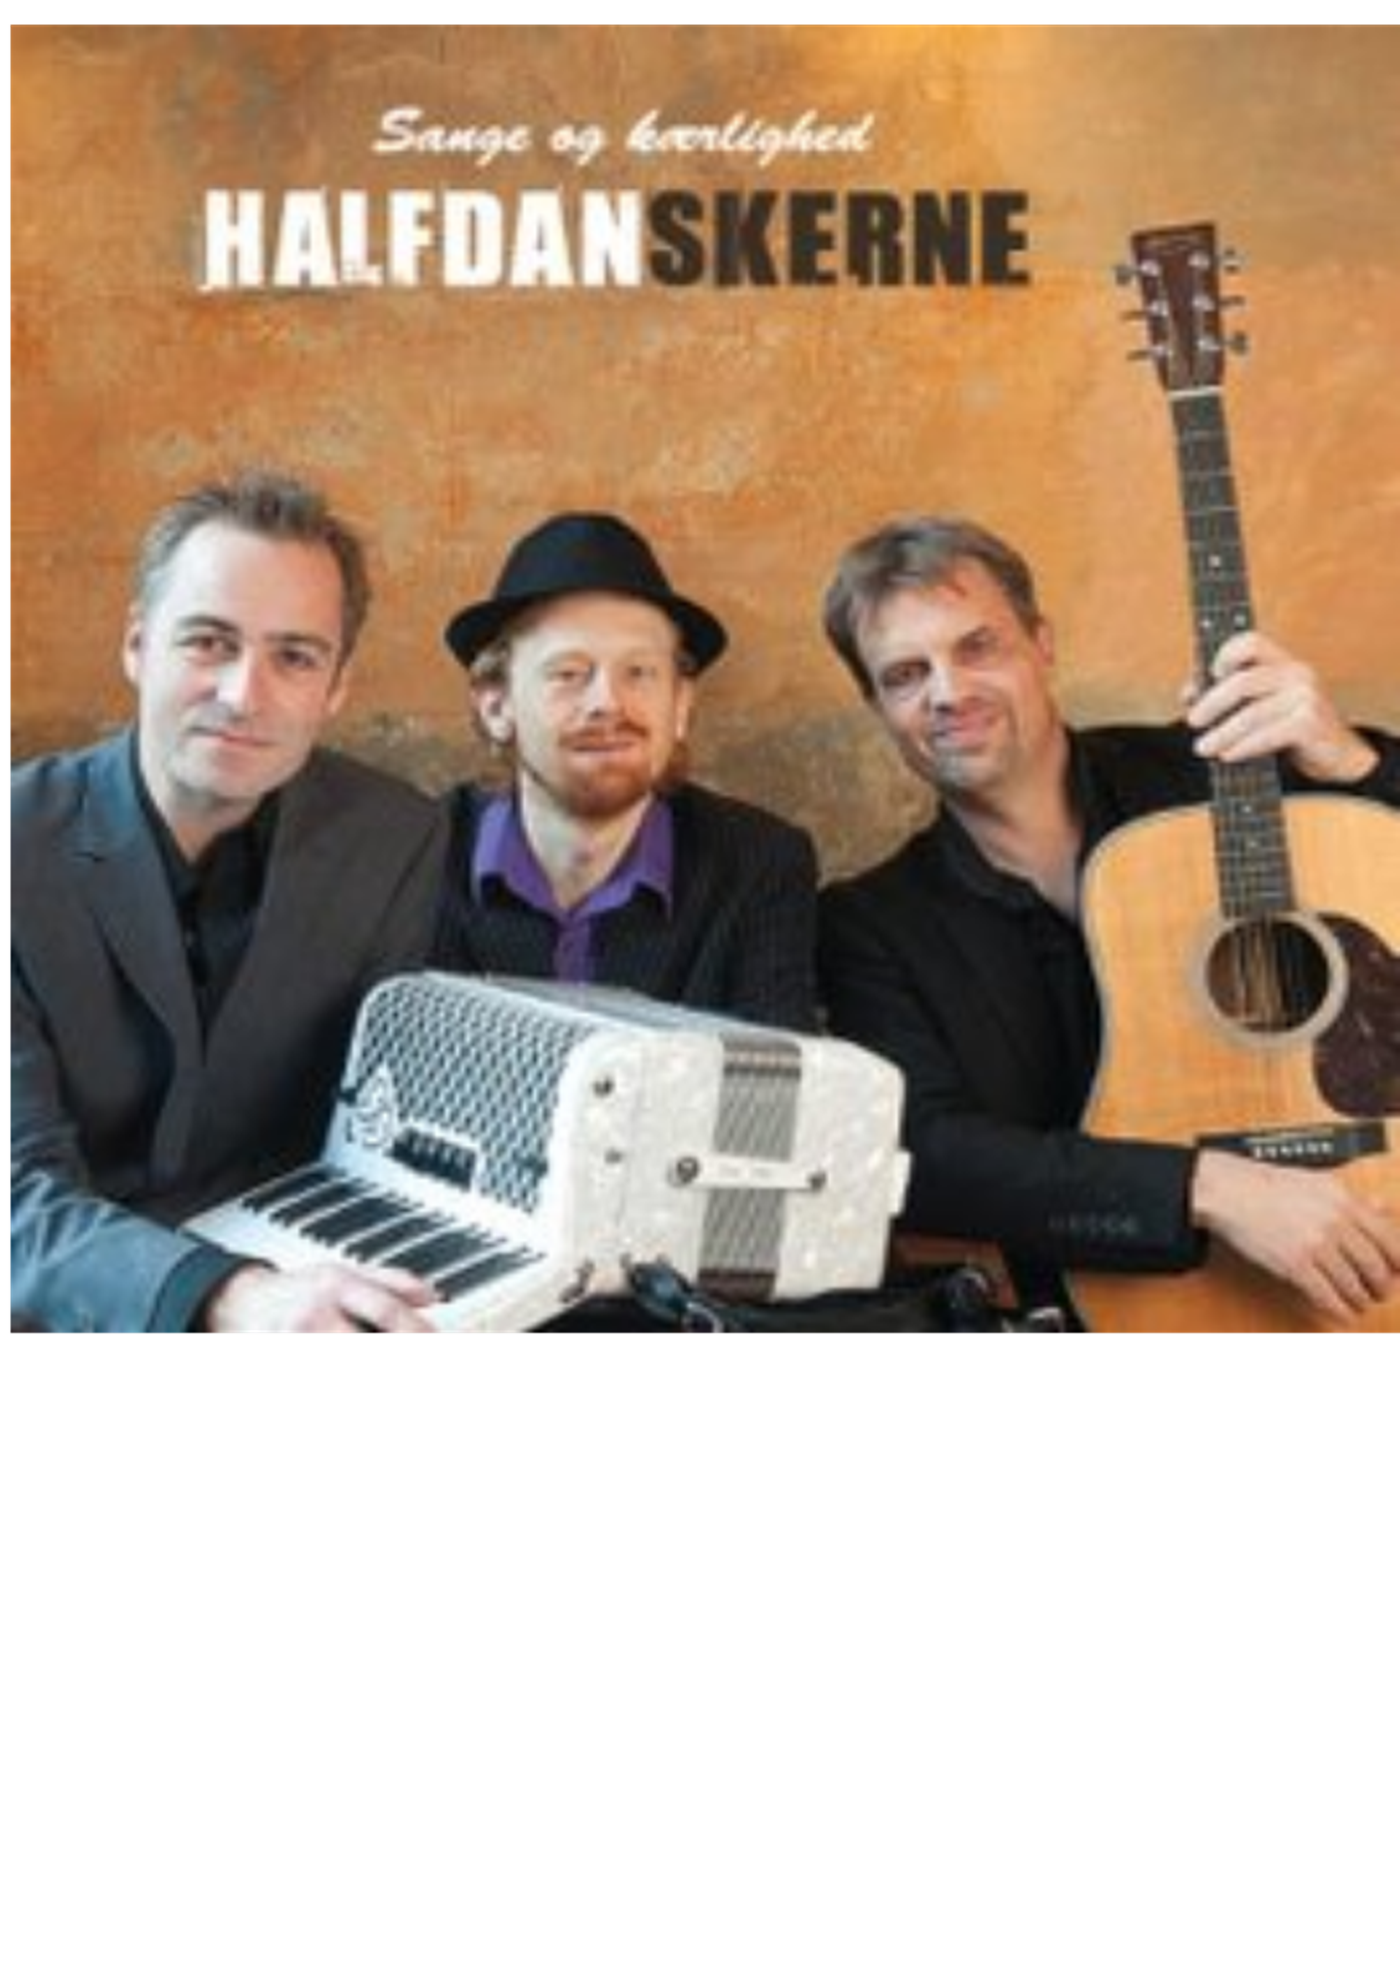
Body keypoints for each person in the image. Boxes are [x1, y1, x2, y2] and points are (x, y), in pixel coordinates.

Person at [817, 516, 1400, 1327]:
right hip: (1111, 1309)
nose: (948, 693)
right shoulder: (870, 925)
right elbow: (927, 1155)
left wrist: (1355, 764)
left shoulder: (1222, 772)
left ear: (1042, 643)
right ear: (877, 706)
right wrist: (1211, 1187)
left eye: (977, 646)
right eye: (906, 674)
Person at [11, 471, 449, 1334]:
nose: (244, 695)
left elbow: (375, 1130)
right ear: (138, 645)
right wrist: (228, 1296)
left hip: (299, 1282)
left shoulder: (395, 836)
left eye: (295, 657)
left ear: (337, 686)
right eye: (209, 642)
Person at [435, 512, 819, 1031]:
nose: (607, 703)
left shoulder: (759, 865)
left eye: (638, 672)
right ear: (497, 707)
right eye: (568, 673)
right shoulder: (413, 862)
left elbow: (772, 1074)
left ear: (680, 706)